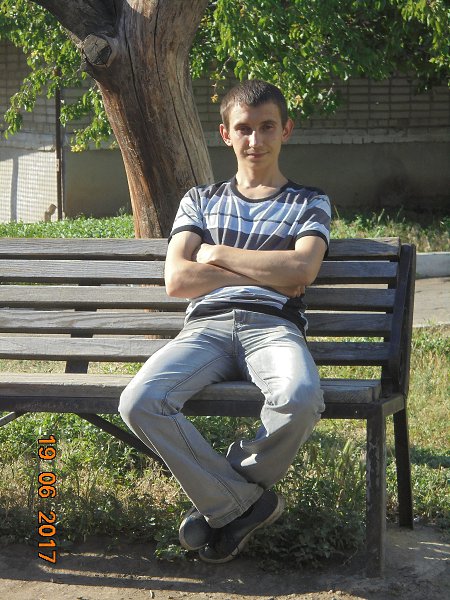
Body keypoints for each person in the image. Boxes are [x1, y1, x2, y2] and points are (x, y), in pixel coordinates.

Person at [119, 79, 331, 563]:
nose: (255, 139)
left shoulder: (309, 202)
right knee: (140, 401)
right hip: (206, 331)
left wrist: (218, 254)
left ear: (286, 130)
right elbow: (178, 279)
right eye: (244, 129)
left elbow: (302, 270)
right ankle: (241, 503)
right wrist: (267, 270)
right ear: (225, 134)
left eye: (267, 127)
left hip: (272, 328)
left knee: (300, 399)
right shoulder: (200, 200)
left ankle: (226, 499)